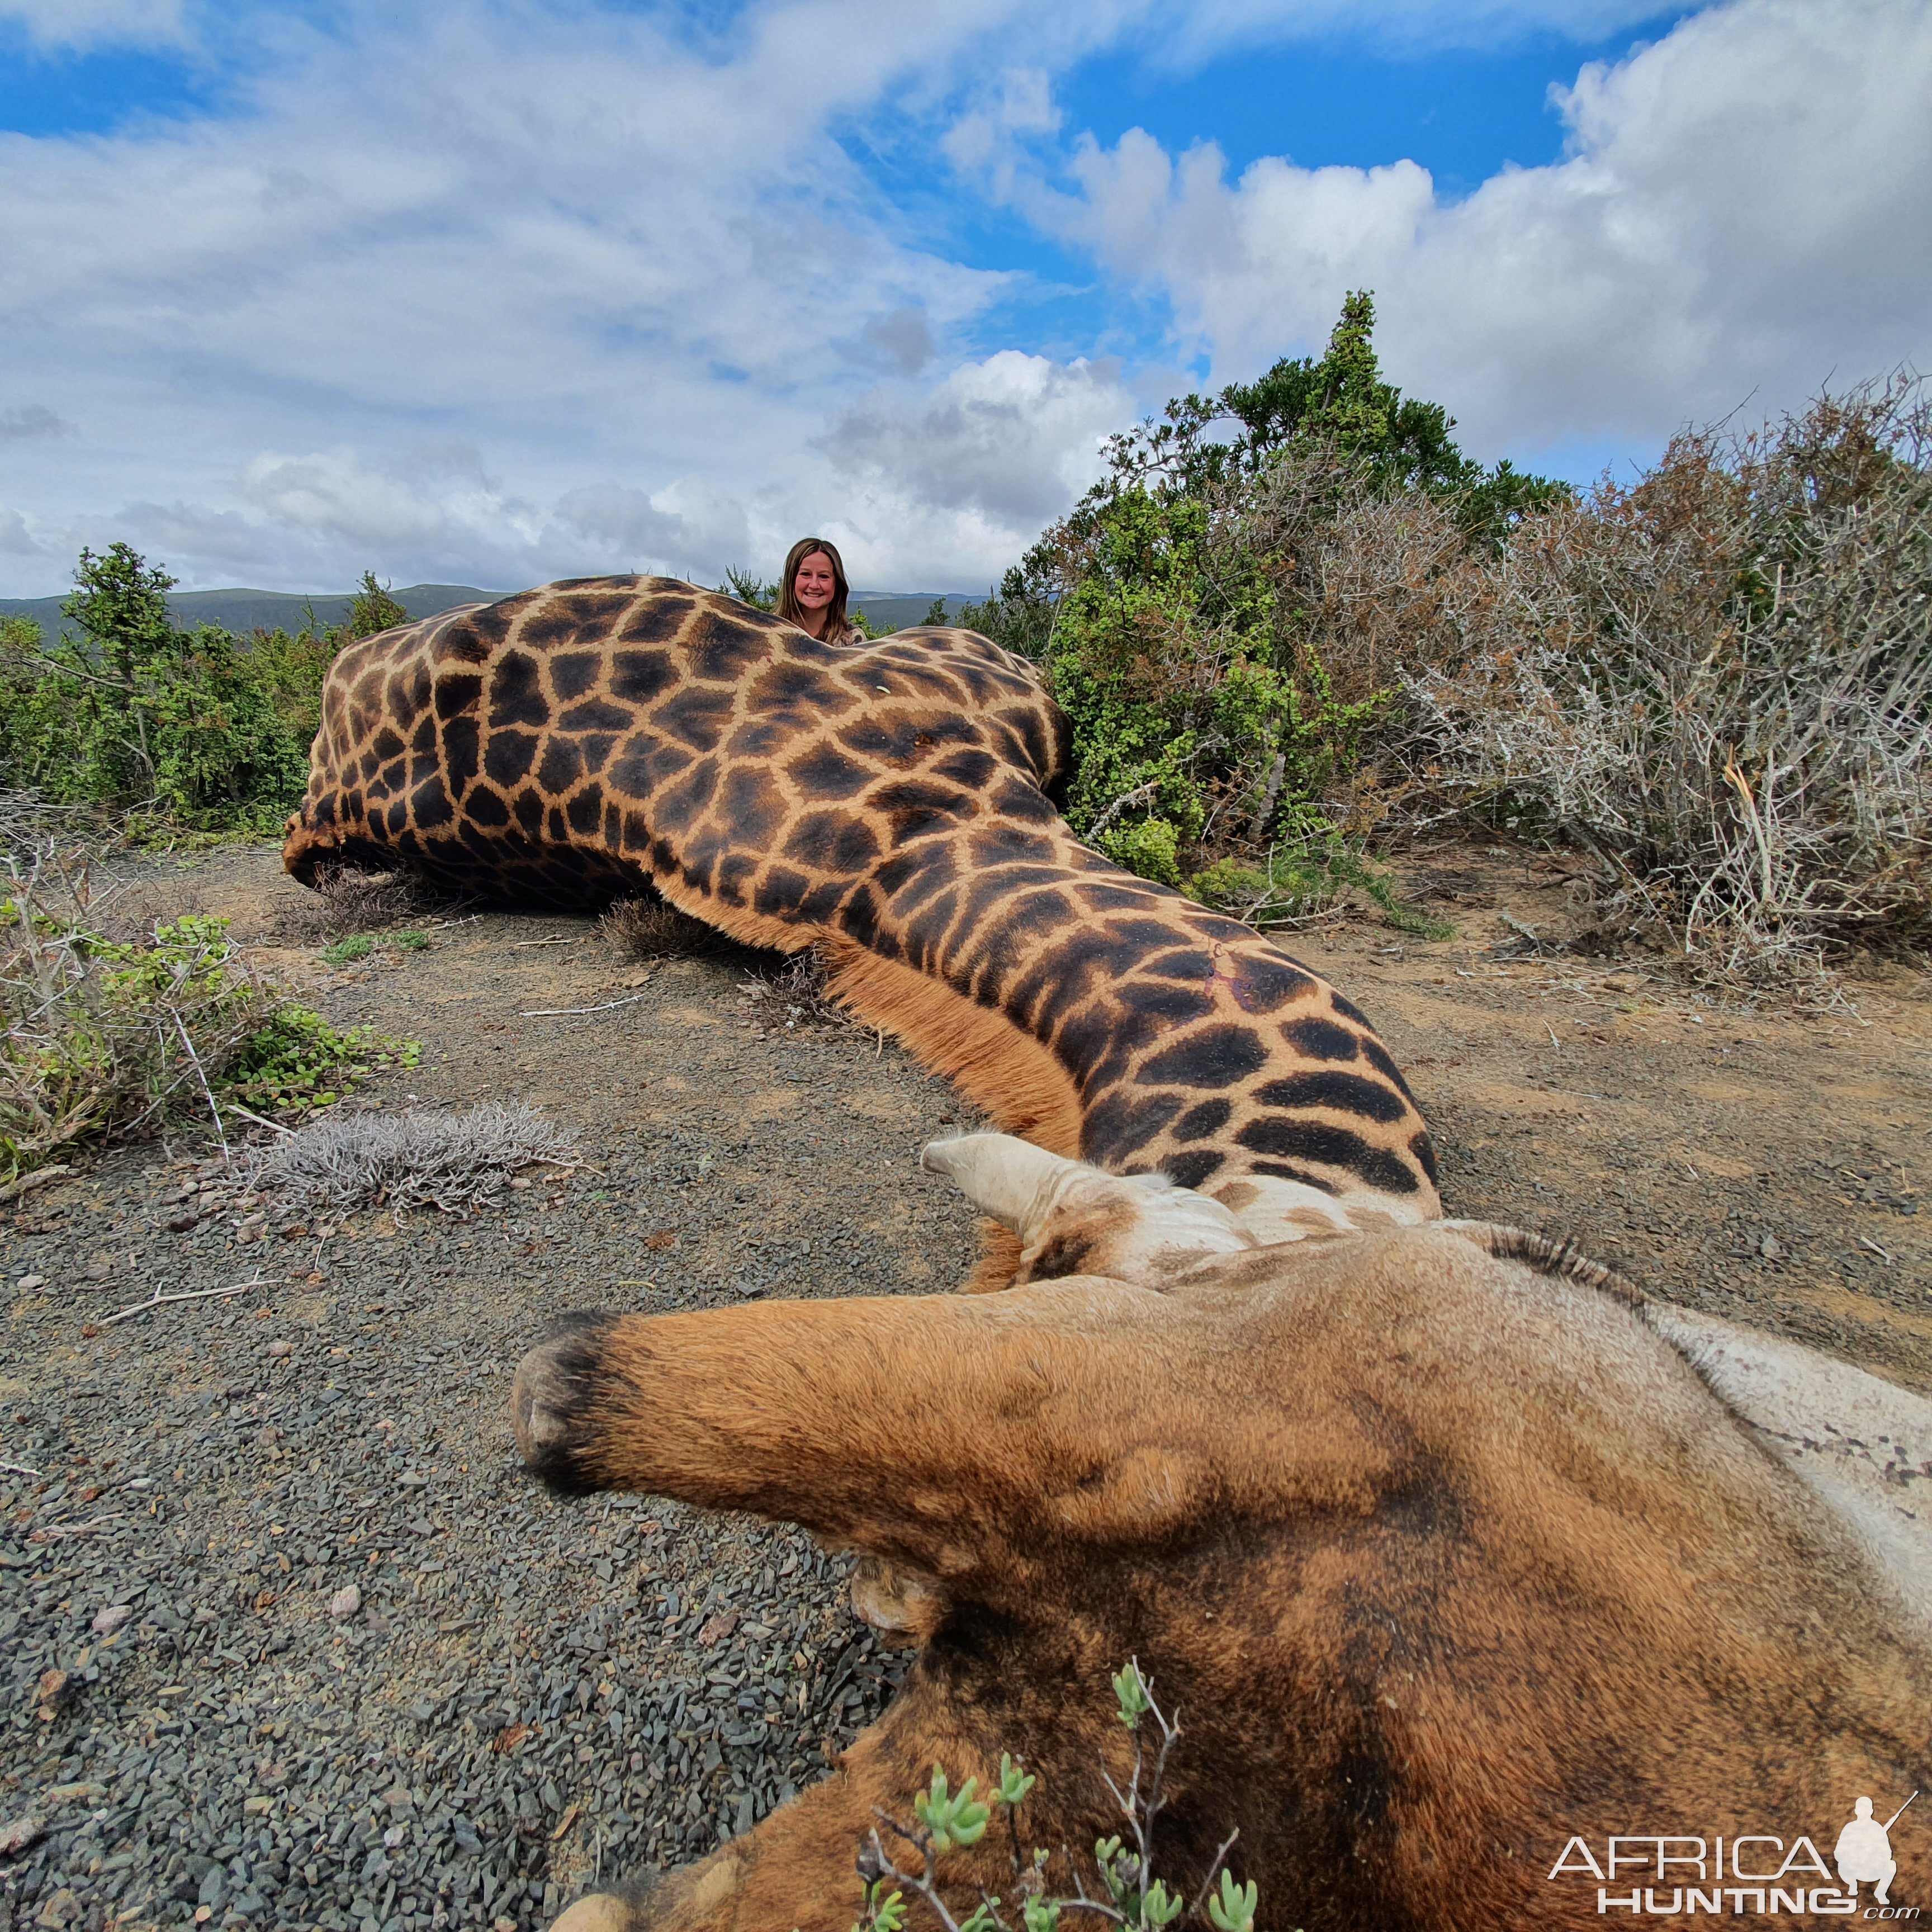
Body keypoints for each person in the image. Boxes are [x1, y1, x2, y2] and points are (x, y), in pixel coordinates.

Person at [776, 537, 865, 645]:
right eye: (806, 574)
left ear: (836, 584)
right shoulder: (769, 631)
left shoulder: (853, 639)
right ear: (791, 580)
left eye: (824, 576)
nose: (814, 585)